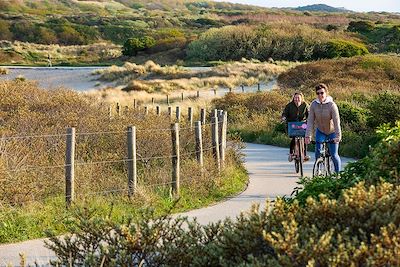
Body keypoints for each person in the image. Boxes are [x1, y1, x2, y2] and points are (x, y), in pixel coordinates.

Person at [305, 83, 342, 173]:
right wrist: (308, 135)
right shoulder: (314, 104)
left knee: (334, 154)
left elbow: (337, 122)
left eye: (322, 93)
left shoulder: (332, 105)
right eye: (318, 93)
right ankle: (319, 169)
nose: (320, 95)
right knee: (318, 152)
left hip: (332, 132)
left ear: (326, 93)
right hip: (320, 131)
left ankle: (338, 175)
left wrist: (338, 136)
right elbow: (310, 121)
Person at [281, 92, 310, 162]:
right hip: (292, 124)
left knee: (304, 138)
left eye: (298, 98)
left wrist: (310, 120)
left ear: (301, 98)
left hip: (302, 124)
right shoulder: (289, 105)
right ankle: (291, 153)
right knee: (294, 138)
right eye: (295, 98)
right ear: (293, 98)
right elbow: (284, 113)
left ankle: (305, 155)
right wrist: (284, 117)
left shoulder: (305, 105)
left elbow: (309, 114)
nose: (297, 99)